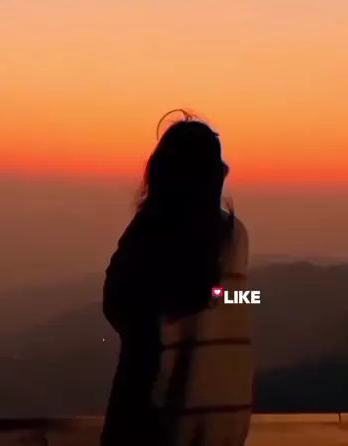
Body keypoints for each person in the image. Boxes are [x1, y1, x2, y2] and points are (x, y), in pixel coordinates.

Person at [100, 110, 254, 446]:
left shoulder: (150, 235)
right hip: (225, 426)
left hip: (159, 426)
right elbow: (226, 298)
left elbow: (116, 305)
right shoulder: (235, 236)